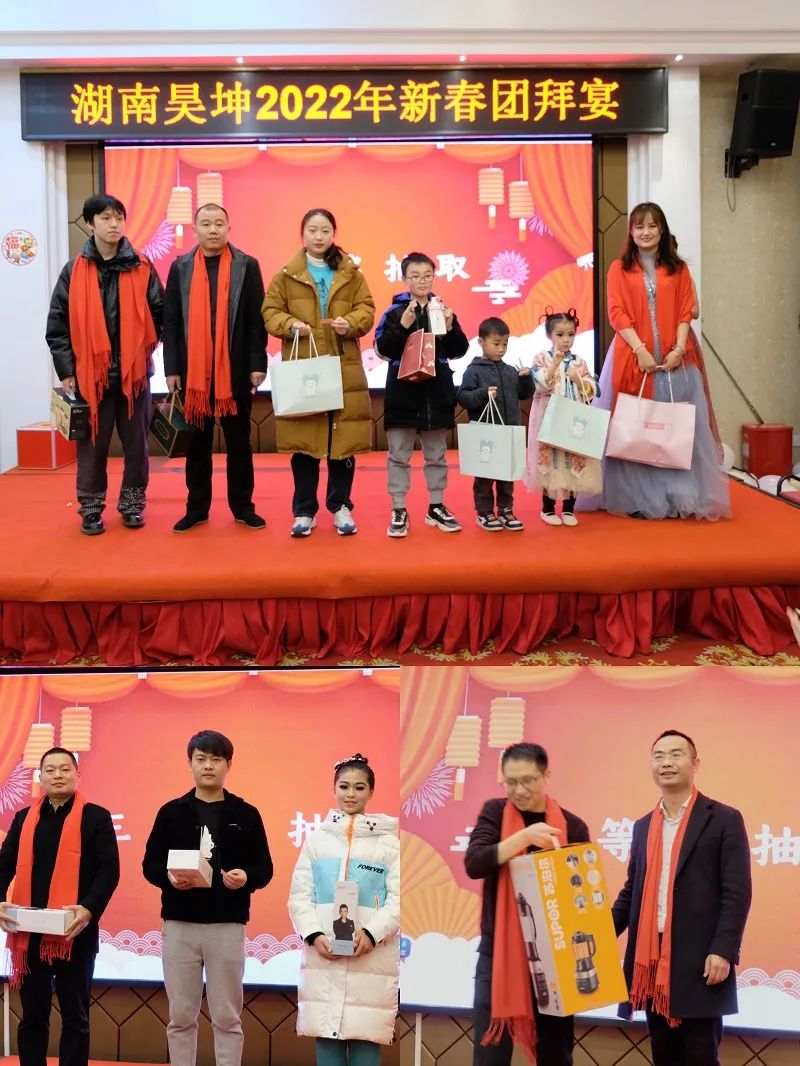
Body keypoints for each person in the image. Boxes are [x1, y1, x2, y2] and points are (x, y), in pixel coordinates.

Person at [612, 730, 752, 1066]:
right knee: (664, 1057)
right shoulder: (643, 826)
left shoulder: (723, 818)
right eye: (659, 756)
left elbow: (737, 892)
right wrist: (594, 934)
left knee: (700, 1057)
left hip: (701, 960)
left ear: (695, 763)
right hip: (651, 959)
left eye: (676, 754)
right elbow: (632, 892)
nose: (666, 763)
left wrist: (723, 950)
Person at [142, 730, 273, 1066]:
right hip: (180, 925)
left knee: (227, 1017)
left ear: (228, 764)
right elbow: (150, 865)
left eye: (216, 759)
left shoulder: (246, 814)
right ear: (189, 764)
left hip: (227, 925)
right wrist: (170, 878)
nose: (208, 766)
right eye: (201, 759)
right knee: (181, 1015)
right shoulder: (171, 812)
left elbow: (264, 868)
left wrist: (246, 878)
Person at [601, 202, 730, 520]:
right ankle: (637, 498)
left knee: (677, 427)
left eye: (652, 226)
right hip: (632, 356)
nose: (646, 232)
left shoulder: (678, 268)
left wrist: (679, 349)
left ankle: (678, 497)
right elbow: (616, 312)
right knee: (636, 426)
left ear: (662, 230)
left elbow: (686, 310)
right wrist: (640, 349)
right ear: (631, 232)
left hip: (676, 358)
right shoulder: (619, 268)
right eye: (639, 226)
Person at [465, 742, 590, 1066]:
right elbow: (474, 863)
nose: (518, 790)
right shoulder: (494, 813)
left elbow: (582, 900)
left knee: (556, 1055)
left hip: (556, 959)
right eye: (510, 782)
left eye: (528, 781)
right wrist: (522, 838)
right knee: (490, 1055)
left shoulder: (572, 827)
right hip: (500, 956)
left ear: (546, 776)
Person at [46, 193, 163, 535]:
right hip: (89, 378)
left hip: (134, 378)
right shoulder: (74, 270)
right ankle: (91, 510)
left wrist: (142, 349)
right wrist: (67, 370)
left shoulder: (142, 266)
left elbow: (159, 313)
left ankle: (132, 506)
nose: (114, 224)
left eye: (119, 218)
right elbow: (57, 325)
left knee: (137, 448)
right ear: (89, 223)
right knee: (92, 449)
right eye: (106, 218)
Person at [0, 747, 120, 1066]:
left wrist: (88, 909)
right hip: (30, 934)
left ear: (77, 774)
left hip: (75, 932)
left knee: (76, 1017)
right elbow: (4, 864)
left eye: (65, 769)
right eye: (50, 770)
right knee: (32, 1017)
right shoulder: (24, 819)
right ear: (40, 777)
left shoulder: (96, 817)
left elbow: (109, 870)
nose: (57, 775)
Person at [263, 209, 375, 537]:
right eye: (312, 230)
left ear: (333, 233)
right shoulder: (287, 274)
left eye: (325, 230)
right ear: (303, 234)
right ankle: (304, 511)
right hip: (305, 367)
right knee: (305, 441)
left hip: (343, 367)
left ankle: (340, 507)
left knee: (343, 441)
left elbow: (367, 309)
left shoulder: (351, 273)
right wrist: (290, 325)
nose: (319, 236)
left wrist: (350, 323)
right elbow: (270, 311)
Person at [163, 203, 268, 532]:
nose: (213, 230)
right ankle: (196, 509)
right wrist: (172, 369)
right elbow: (171, 323)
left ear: (228, 228)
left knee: (239, 444)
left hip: (234, 370)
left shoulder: (246, 266)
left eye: (219, 224)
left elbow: (256, 320)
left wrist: (257, 363)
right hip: (193, 374)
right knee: (197, 445)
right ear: (195, 230)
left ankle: (243, 507)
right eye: (206, 224)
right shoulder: (180, 268)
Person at [289, 754, 399, 1065]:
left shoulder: (389, 844)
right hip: (324, 959)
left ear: (371, 791)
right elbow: (299, 897)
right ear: (334, 789)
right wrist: (314, 935)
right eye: (344, 786)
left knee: (366, 1044)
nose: (351, 794)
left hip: (370, 960)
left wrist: (372, 933)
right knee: (327, 1041)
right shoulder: (316, 841)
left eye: (359, 787)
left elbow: (399, 899)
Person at [374, 252, 470, 537]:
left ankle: (436, 506)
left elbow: (459, 350)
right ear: (405, 279)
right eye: (415, 276)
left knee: (437, 455)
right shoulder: (394, 312)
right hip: (402, 393)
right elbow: (382, 350)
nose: (422, 281)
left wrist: (450, 328)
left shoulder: (442, 309)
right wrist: (402, 326)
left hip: (435, 394)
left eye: (427, 275)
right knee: (398, 455)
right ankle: (399, 509)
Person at [525, 309, 601, 526]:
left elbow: (593, 389)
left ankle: (569, 508)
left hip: (573, 418)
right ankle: (547, 508)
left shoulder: (579, 362)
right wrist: (554, 366)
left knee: (573, 458)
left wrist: (579, 380)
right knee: (549, 459)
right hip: (548, 416)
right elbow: (538, 384)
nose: (566, 339)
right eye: (560, 334)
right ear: (549, 335)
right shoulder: (542, 358)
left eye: (570, 334)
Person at [457, 317, 532, 531]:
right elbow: (463, 397)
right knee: (485, 474)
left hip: (509, 431)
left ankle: (506, 509)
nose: (501, 349)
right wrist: (482, 393)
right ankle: (484, 511)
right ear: (481, 342)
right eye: (496, 344)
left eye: (505, 344)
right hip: (486, 434)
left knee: (508, 474)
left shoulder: (509, 370)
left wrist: (525, 379)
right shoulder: (473, 370)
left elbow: (524, 394)